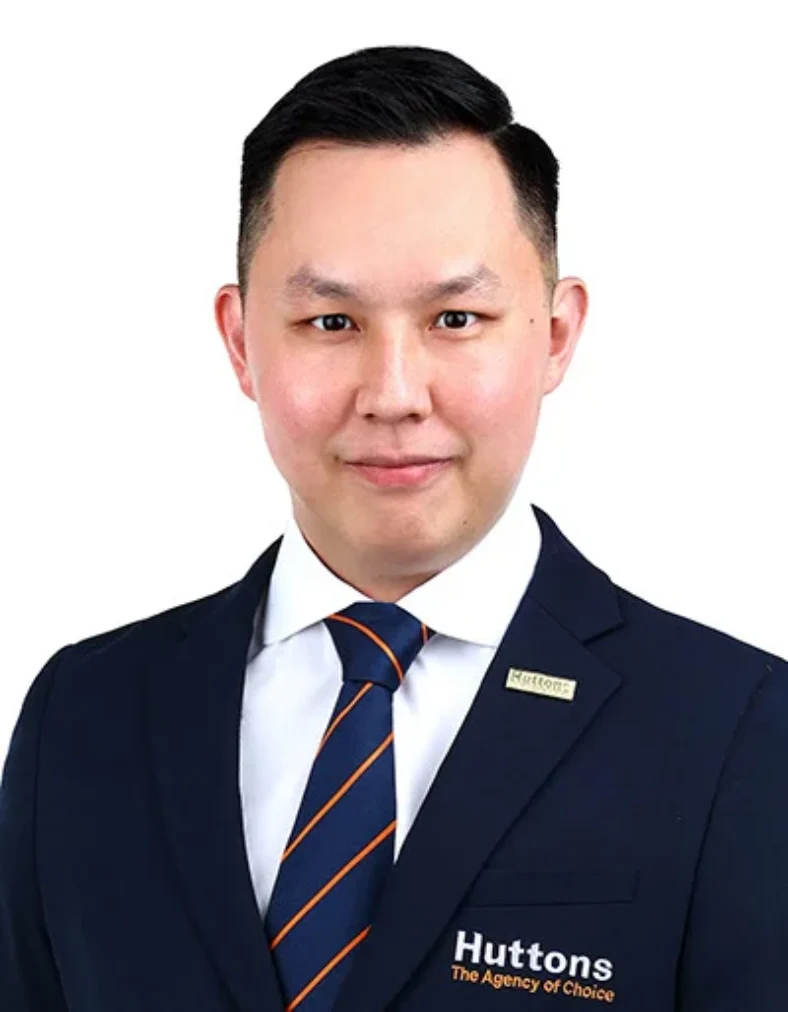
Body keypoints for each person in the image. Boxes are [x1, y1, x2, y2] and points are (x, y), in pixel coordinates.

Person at [1, 43, 786, 1012]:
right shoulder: (84, 716)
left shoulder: (740, 731)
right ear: (241, 341)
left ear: (554, 334)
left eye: (456, 318)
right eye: (331, 324)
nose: (394, 394)